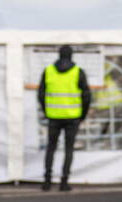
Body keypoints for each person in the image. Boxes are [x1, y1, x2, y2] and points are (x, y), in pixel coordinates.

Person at [38, 45, 91, 191]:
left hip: (53, 116)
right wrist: (83, 115)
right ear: (71, 55)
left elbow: (41, 94)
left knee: (51, 148)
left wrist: (46, 111)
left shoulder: (48, 71)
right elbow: (86, 96)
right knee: (69, 150)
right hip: (72, 117)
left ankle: (47, 180)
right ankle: (64, 181)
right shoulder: (78, 72)